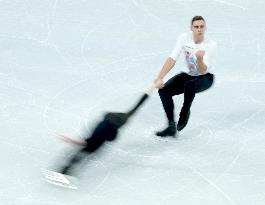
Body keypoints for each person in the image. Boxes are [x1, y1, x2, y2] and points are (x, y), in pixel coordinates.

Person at [154, 16, 217, 137]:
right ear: (191, 28)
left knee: (190, 85)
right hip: (187, 74)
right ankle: (171, 126)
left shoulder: (210, 44)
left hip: (206, 77)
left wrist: (199, 58)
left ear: (205, 28)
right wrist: (160, 77)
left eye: (202, 27)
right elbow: (172, 58)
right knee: (163, 90)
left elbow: (203, 71)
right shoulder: (184, 38)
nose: (199, 29)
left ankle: (185, 111)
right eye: (196, 27)